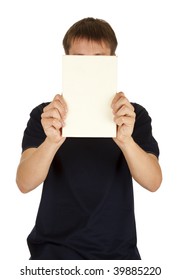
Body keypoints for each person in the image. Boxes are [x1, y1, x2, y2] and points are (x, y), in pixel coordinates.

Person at [16, 17, 162, 260]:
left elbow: (153, 182)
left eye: (99, 59)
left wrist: (126, 140)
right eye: (80, 60)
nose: (89, 69)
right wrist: (51, 141)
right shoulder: (45, 115)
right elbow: (24, 183)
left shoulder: (133, 115)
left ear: (113, 62)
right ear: (66, 62)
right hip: (53, 254)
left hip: (118, 255)